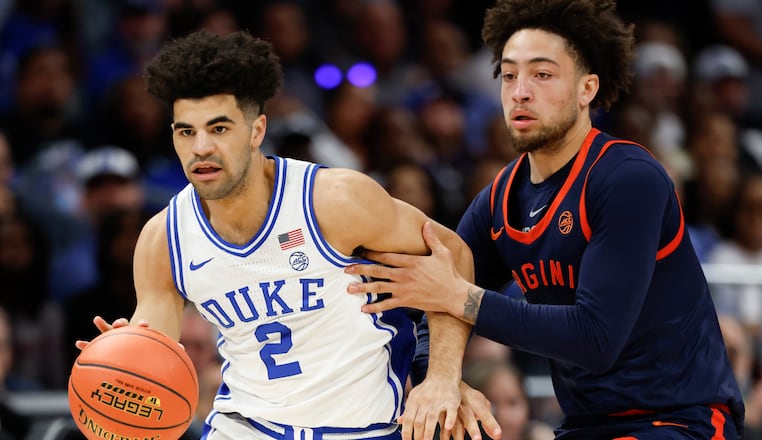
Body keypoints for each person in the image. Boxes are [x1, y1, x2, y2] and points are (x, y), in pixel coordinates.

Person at [344, 0, 746, 438]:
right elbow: (435, 302)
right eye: (509, 75)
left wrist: (463, 298)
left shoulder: (628, 178)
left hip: (680, 419)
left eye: (542, 74)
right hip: (584, 425)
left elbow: (595, 339)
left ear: (586, 88)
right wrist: (440, 378)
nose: (520, 91)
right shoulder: (498, 199)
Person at [75, 30, 500, 440]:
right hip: (244, 426)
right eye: (187, 131)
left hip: (365, 428)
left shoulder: (333, 200)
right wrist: (123, 365)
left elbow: (454, 255)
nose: (201, 147)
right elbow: (154, 349)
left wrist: (443, 376)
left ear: (257, 131)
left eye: (219, 129)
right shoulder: (163, 239)